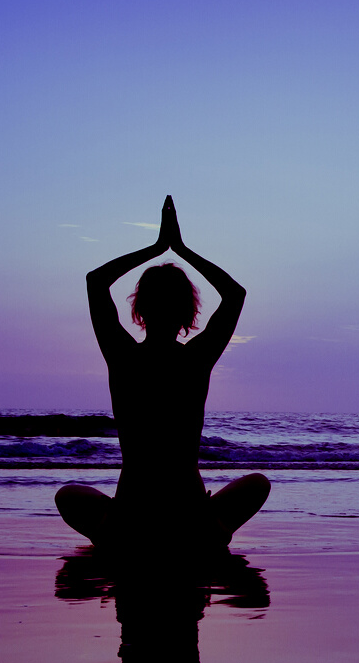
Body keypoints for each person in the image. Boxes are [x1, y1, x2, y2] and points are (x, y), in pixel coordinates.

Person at [55, 196, 269, 554]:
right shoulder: (197, 358)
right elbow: (234, 294)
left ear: (139, 308)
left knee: (68, 496)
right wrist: (180, 249)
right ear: (189, 311)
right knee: (257, 483)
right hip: (190, 514)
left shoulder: (123, 356)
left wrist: (156, 248)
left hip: (131, 512)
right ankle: (210, 528)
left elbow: (96, 281)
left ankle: (113, 529)